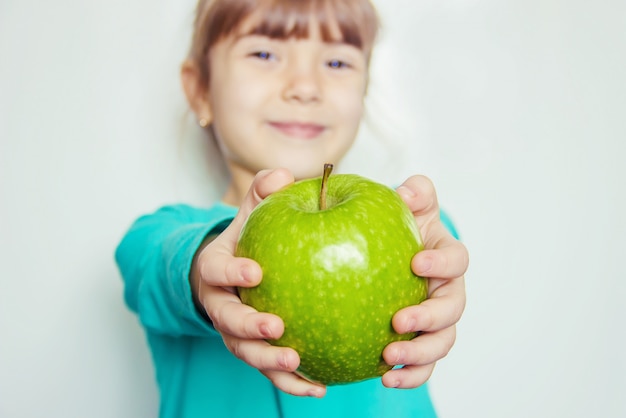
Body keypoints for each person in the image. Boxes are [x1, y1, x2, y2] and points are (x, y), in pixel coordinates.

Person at [115, 0, 468, 417]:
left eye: (337, 62)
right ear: (200, 90)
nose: (305, 86)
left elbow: (439, 252)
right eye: (264, 54)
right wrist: (211, 272)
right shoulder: (164, 233)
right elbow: (155, 265)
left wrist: (438, 271)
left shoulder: (416, 225)